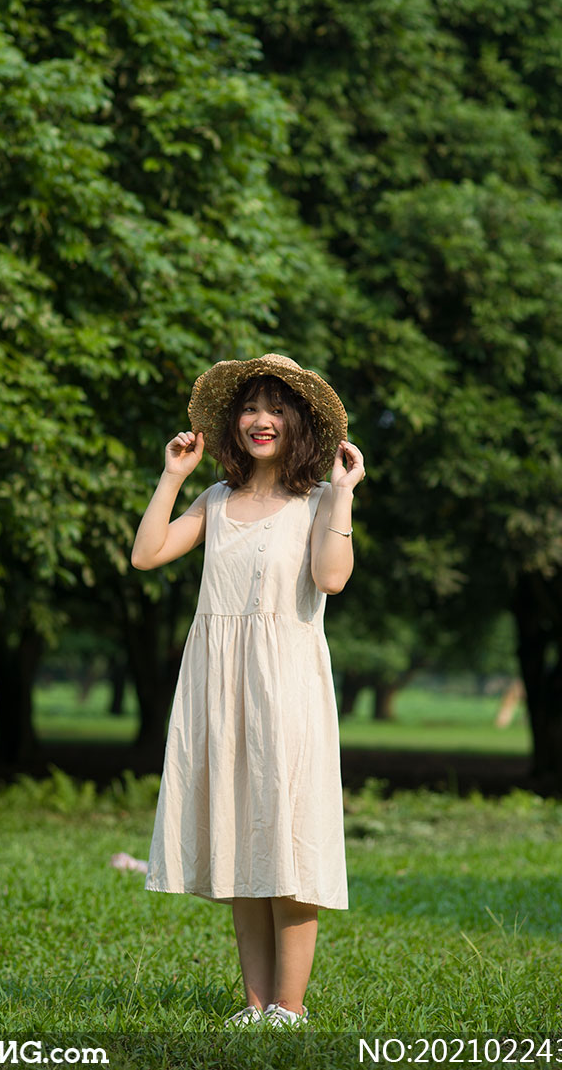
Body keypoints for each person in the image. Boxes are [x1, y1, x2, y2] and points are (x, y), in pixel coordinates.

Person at [132, 353, 365, 1030]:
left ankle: (289, 1007)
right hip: (222, 690)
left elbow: (330, 577)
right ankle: (255, 1002)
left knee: (288, 842)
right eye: (250, 407)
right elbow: (147, 553)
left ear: (299, 423)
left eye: (276, 407)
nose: (261, 419)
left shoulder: (318, 499)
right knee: (241, 842)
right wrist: (173, 475)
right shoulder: (216, 500)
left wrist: (345, 492)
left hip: (287, 689)